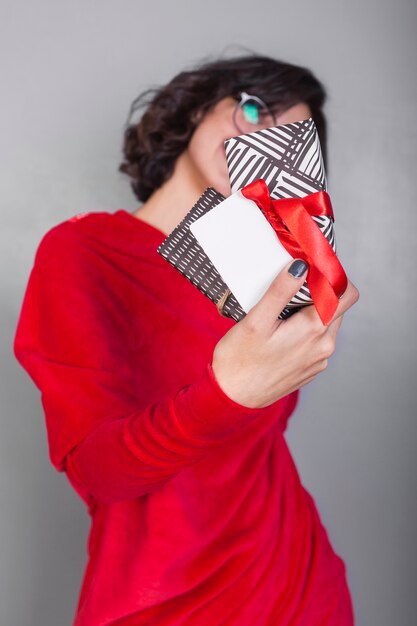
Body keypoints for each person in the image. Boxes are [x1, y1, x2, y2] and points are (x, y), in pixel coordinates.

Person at [14, 55, 359, 625]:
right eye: (254, 110)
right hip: (161, 603)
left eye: (289, 139)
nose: (263, 141)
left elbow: (252, 450)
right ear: (200, 107)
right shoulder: (84, 251)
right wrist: (226, 392)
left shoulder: (275, 276)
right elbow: (100, 473)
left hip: (297, 588)